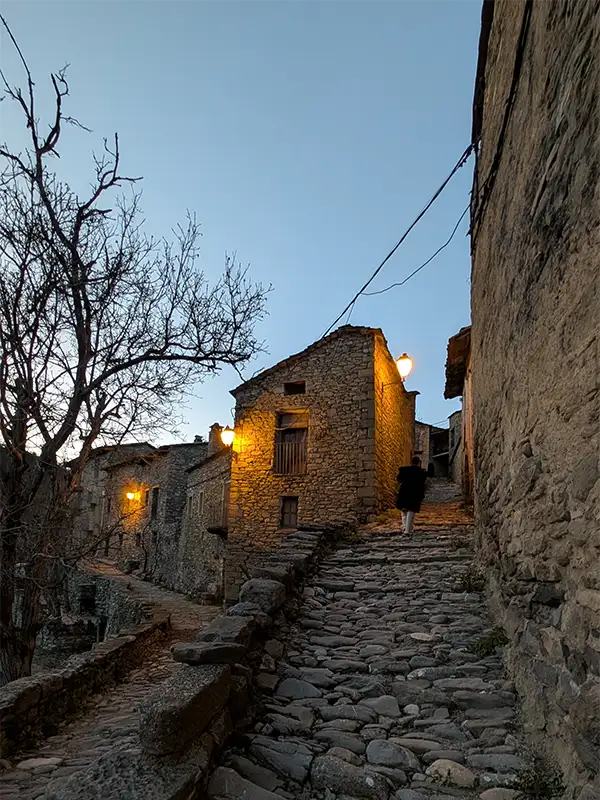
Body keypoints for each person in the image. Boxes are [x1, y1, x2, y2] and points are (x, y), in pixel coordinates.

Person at [396, 456, 428, 534]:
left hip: (404, 492)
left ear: (411, 462)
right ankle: (407, 530)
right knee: (411, 510)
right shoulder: (421, 472)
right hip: (415, 493)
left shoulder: (404, 470)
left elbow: (399, 479)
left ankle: (406, 527)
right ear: (418, 463)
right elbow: (422, 484)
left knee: (404, 510)